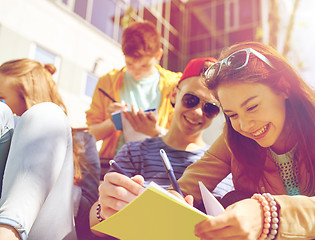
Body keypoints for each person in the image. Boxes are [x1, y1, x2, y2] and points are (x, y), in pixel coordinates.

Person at [92, 41, 315, 239]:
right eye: (231, 114)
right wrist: (158, 203)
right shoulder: (233, 137)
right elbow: (191, 184)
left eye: (252, 107)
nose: (244, 125)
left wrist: (268, 214)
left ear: (284, 88)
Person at [89, 57, 234, 236]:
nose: (197, 112)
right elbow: (95, 223)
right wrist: (104, 208)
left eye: (210, 108)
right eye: (191, 99)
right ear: (174, 94)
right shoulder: (135, 152)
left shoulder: (226, 167)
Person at [0, 59, 101, 240]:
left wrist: (48, 173)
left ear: (27, 97)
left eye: (1, 98)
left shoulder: (82, 140)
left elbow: (88, 212)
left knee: (48, 116)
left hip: (50, 228)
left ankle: (8, 230)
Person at [86, 20, 182, 162]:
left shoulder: (175, 85)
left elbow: (184, 139)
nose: (136, 72)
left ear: (158, 55)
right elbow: (90, 136)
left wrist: (155, 131)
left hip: (158, 169)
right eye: (129, 64)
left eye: (144, 66)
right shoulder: (107, 82)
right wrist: (112, 123)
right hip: (113, 166)